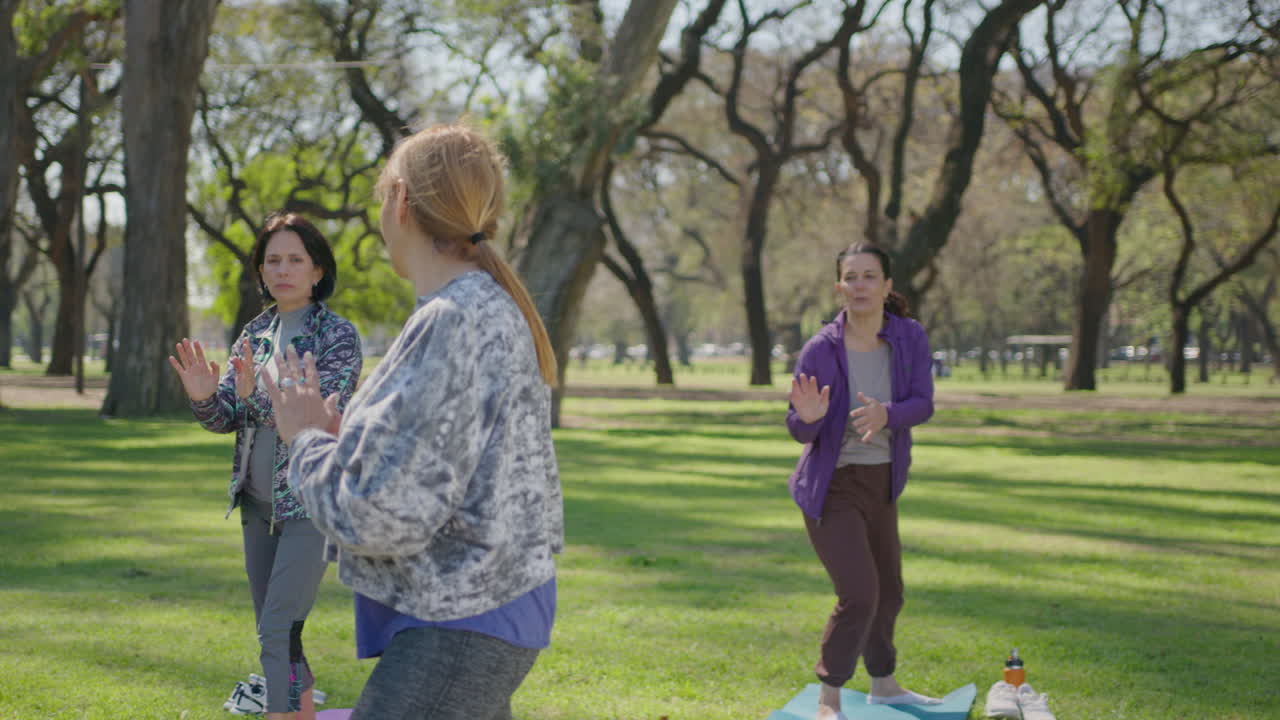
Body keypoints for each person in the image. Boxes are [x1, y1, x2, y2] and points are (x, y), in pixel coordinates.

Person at [264, 123, 563, 720]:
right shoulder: (475, 310)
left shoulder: (452, 320)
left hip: (461, 623)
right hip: (478, 615)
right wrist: (342, 443)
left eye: (381, 199)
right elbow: (435, 473)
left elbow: (380, 517)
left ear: (400, 200)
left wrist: (302, 440)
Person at [168, 212, 363, 720]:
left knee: (277, 627)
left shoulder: (338, 336)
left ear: (318, 270)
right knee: (284, 632)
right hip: (256, 505)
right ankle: (300, 713)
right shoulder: (253, 334)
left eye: (295, 259)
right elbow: (228, 417)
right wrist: (205, 398)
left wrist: (253, 398)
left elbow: (317, 416)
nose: (282, 269)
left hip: (308, 504)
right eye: (272, 260)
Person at [785, 242, 937, 719]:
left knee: (889, 592)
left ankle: (885, 686)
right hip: (832, 488)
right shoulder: (821, 348)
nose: (861, 286)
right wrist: (807, 419)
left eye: (870, 276)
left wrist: (886, 413)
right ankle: (828, 699)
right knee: (860, 593)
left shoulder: (908, 337)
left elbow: (923, 403)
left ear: (888, 286)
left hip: (883, 485)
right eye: (851, 278)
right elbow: (798, 426)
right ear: (839, 287)